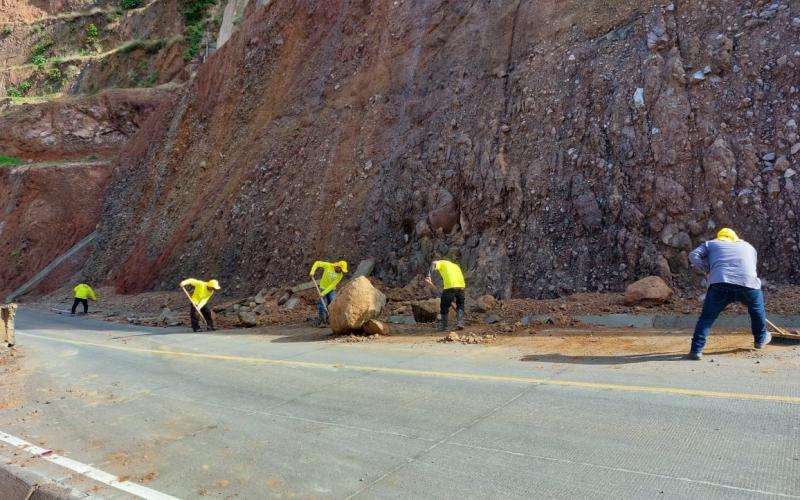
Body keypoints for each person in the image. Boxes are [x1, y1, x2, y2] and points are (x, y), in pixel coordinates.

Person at [687, 228, 770, 360]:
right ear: (735, 237)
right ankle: (760, 340)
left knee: (707, 318)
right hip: (748, 284)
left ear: (719, 237)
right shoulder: (748, 246)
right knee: (757, 311)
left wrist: (707, 270)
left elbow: (693, 255)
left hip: (720, 284)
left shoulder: (711, 243)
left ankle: (696, 350)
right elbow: (751, 265)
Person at [425, 259, 466, 331]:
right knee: (460, 305)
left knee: (444, 307)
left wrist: (428, 276)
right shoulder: (456, 266)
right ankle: (460, 323)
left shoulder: (443, 263)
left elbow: (433, 263)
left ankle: (444, 327)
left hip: (450, 287)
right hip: (461, 286)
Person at [309, 260, 348, 326]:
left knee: (333, 304)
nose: (341, 271)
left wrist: (323, 293)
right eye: (341, 269)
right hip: (322, 287)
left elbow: (332, 285)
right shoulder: (328, 265)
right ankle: (322, 321)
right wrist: (312, 271)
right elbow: (317, 263)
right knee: (322, 304)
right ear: (338, 266)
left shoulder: (340, 275)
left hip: (331, 290)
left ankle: (332, 320)